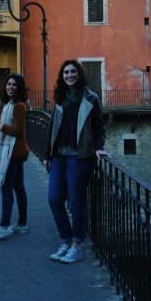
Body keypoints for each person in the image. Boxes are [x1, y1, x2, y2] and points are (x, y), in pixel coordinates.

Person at [46, 59, 107, 264]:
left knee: (75, 201)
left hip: (79, 156)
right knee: (54, 198)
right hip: (59, 156)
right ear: (62, 77)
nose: (69, 75)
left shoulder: (91, 98)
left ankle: (77, 244)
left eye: (72, 72)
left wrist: (99, 147)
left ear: (79, 74)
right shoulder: (60, 98)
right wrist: (48, 154)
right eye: (65, 73)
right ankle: (66, 239)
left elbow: (100, 126)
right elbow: (53, 127)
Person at [0, 74, 30, 241]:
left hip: (12, 152)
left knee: (6, 188)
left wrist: (2, 126)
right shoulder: (9, 105)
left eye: (14, 85)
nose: (10, 87)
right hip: (16, 151)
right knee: (18, 187)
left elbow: (18, 131)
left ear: (19, 88)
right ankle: (22, 224)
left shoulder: (18, 106)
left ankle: (4, 226)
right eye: (8, 84)